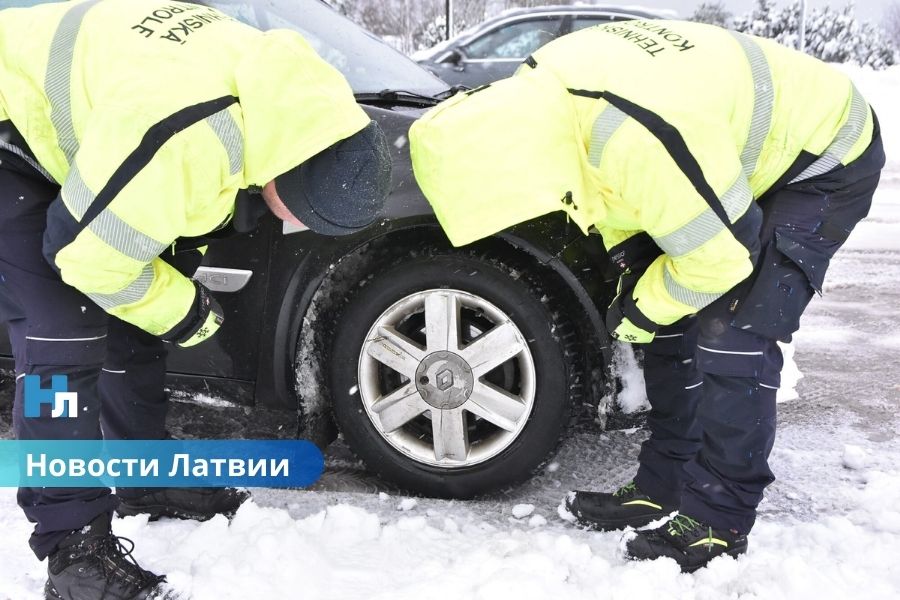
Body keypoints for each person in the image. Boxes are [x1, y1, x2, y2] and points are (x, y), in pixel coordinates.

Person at [409, 19, 884, 572]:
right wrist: (635, 273)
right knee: (671, 313)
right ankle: (664, 487)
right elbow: (598, 191)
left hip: (824, 156)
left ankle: (719, 523)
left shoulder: (632, 136)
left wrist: (641, 310)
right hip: (718, 147)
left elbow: (721, 258)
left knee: (731, 331)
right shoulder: (533, 101)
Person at [0, 0, 391, 598]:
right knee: (63, 330)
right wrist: (183, 311)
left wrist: (164, 295)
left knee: (131, 321)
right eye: (301, 215)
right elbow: (81, 255)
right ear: (286, 173)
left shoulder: (298, 100)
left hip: (79, 126)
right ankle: (71, 549)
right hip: (11, 134)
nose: (293, 225)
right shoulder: (192, 135)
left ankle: (145, 477)